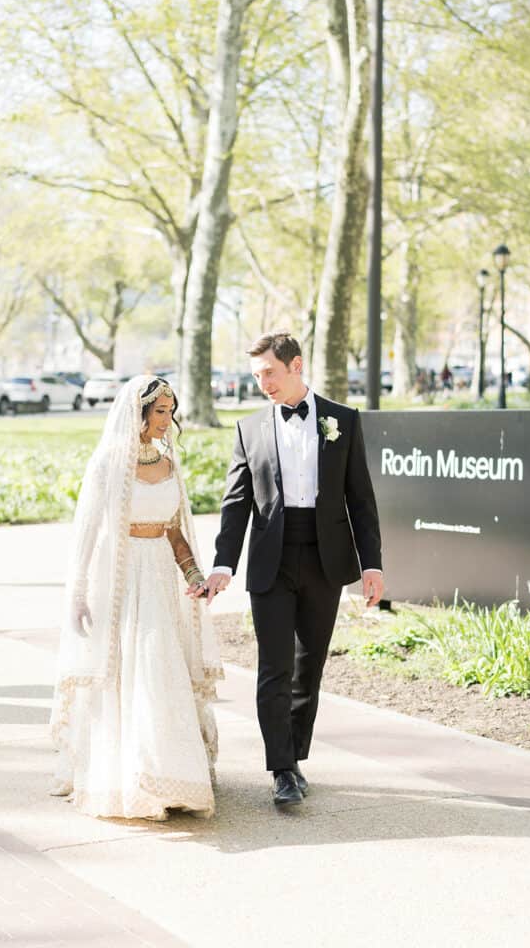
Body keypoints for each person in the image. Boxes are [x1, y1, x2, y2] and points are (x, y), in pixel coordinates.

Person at [203, 331, 384, 806]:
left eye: (270, 372)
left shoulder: (343, 421)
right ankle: (281, 768)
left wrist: (373, 566)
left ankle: (296, 756)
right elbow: (236, 503)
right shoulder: (249, 429)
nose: (263, 383)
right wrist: (224, 563)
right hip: (272, 561)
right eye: (257, 374)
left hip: (325, 560)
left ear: (296, 366)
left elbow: (361, 500)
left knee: (310, 667)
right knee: (274, 667)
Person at [50, 375, 223, 820]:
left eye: (171, 412)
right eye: (160, 412)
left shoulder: (168, 461)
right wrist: (79, 593)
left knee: (162, 669)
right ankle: (131, 776)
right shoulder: (109, 462)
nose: (168, 420)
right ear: (140, 412)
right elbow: (88, 530)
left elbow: (174, 531)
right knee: (130, 671)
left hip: (160, 585)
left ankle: (172, 775)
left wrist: (194, 574)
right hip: (123, 583)